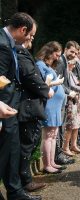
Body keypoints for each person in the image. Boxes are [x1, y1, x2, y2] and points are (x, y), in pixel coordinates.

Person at [0, 12, 42, 200]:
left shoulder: (8, 43)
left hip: (11, 106)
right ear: (22, 30)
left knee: (13, 151)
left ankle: (15, 191)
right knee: (5, 153)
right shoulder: (2, 45)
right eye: (30, 35)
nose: (30, 39)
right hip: (4, 108)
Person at [17, 35, 53, 192]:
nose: (32, 38)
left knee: (30, 144)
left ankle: (23, 180)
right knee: (26, 146)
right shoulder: (19, 51)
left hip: (32, 106)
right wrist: (46, 89)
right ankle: (23, 182)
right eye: (31, 35)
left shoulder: (22, 52)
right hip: (28, 106)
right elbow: (30, 76)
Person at [36, 41, 66, 174]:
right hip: (49, 105)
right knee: (48, 135)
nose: (58, 58)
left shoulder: (48, 65)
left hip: (55, 105)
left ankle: (52, 161)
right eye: (56, 54)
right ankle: (47, 165)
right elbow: (42, 84)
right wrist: (57, 82)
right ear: (49, 51)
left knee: (53, 135)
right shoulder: (40, 64)